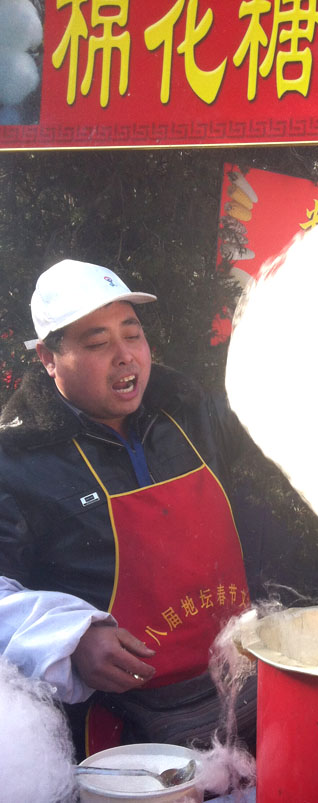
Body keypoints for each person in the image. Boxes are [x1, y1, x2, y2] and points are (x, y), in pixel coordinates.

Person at [0, 259, 256, 759]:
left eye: (132, 334)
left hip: (242, 697)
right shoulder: (17, 460)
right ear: (49, 358)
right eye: (97, 343)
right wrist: (71, 638)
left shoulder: (188, 412)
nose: (125, 356)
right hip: (127, 734)